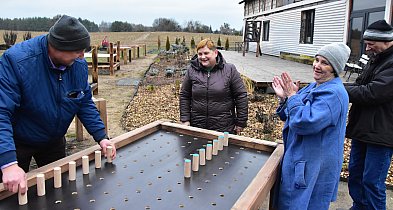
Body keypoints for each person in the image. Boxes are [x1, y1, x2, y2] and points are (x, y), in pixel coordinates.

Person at [0, 15, 117, 194]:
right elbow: (1, 113)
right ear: (57, 47)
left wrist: (102, 137)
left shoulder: (77, 64)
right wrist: (8, 163)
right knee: (12, 193)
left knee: (58, 193)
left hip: (53, 141)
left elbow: (83, 101)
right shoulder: (16, 62)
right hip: (17, 142)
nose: (81, 55)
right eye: (77, 50)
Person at [272, 43, 350, 209]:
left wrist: (292, 96)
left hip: (313, 164)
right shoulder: (315, 86)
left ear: (334, 68)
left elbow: (304, 123)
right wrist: (286, 98)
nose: (317, 66)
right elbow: (291, 115)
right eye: (316, 60)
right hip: (302, 159)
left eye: (324, 63)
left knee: (303, 204)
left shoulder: (333, 94)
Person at [345, 19, 393, 210]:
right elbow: (359, 85)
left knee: (372, 182)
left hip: (381, 134)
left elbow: (373, 92)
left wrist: (338, 91)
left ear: (385, 41)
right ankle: (359, 207)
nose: (367, 47)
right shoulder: (377, 59)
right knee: (356, 175)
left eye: (371, 43)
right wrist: (332, 86)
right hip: (363, 129)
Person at [179, 38, 248, 134]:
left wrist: (241, 122)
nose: (203, 57)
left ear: (215, 53)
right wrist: (185, 119)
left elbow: (241, 95)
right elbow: (184, 95)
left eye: (206, 53)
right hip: (197, 126)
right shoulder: (192, 70)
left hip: (224, 127)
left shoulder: (229, 70)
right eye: (200, 54)